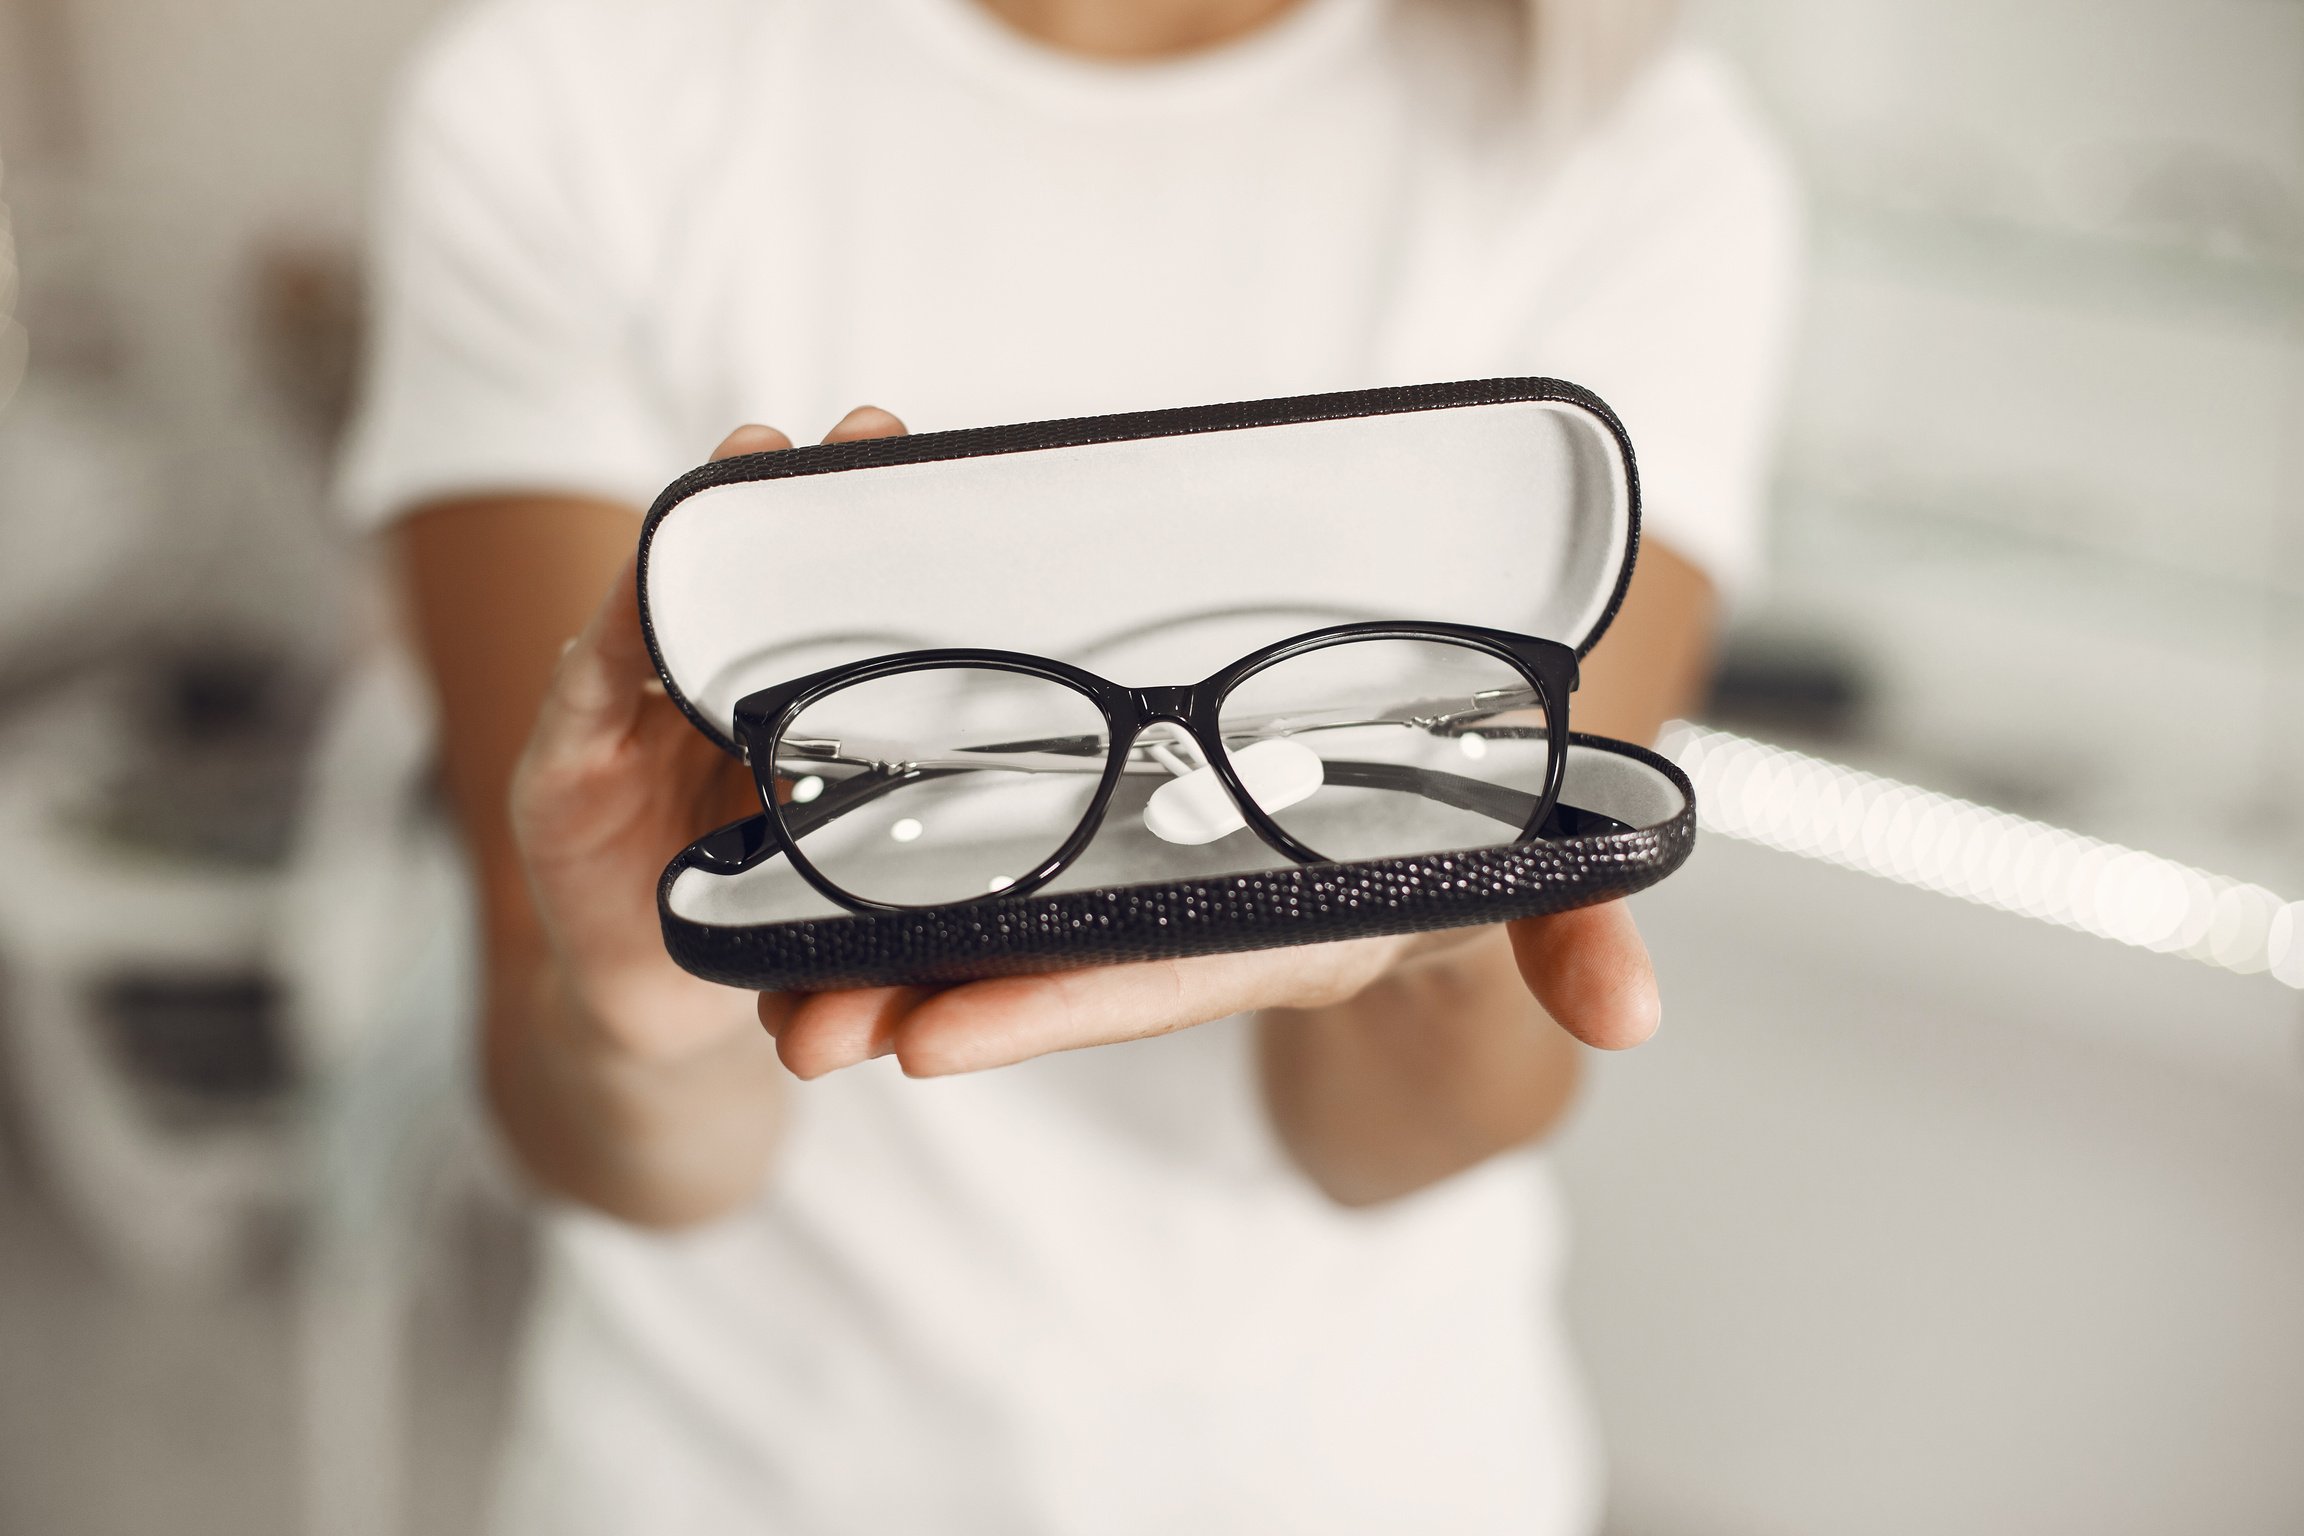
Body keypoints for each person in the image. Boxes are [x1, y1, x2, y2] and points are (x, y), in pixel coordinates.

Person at [340, 0, 1799, 1529]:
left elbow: (1402, 1136)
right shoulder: (571, 92)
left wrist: (1436, 949)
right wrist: (640, 1028)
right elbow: (595, 1110)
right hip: (724, 1473)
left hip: (1361, 1474)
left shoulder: (1628, 144)